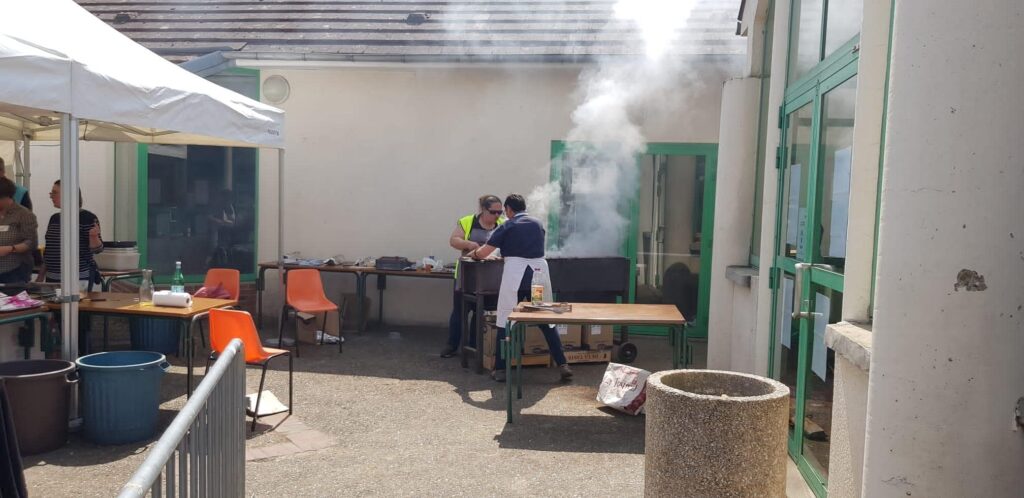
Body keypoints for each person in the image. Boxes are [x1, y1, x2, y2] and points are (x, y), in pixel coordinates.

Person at [469, 194, 572, 382]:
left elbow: (485, 252)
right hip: (538, 276)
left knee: (506, 319)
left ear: (509, 209)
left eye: (504, 211)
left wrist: (474, 253)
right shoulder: (537, 223)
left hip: (516, 278)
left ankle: (500, 369)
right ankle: (563, 363)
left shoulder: (508, 225)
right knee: (546, 318)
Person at [440, 195, 504, 358]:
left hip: (491, 277)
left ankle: (475, 346)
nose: (497, 216)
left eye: (500, 212)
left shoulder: (502, 224)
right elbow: (454, 240)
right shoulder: (468, 221)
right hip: (466, 276)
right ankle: (452, 345)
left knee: (481, 313)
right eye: (493, 212)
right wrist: (468, 244)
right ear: (483, 210)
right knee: (460, 312)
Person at [38, 180, 103, 290]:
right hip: (52, 278)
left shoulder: (87, 218)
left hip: (78, 279)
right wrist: (41, 276)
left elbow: (98, 249)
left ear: (68, 194)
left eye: (54, 193)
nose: (51, 196)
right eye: (51, 193)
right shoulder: (54, 218)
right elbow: (49, 251)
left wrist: (94, 236)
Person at [0, 178, 37, 284]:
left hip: (15, 272)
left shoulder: (24, 215)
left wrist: (11, 249)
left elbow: (31, 243)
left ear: (7, 197)